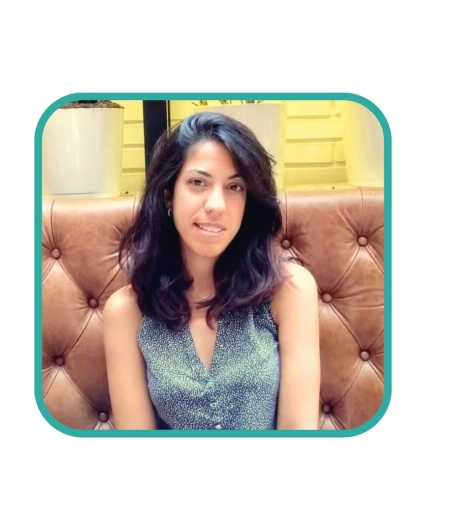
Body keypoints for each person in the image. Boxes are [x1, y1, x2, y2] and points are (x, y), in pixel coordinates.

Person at [103, 111, 320, 430]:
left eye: (235, 187)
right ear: (168, 195)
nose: (216, 204)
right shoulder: (127, 312)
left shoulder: (289, 290)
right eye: (198, 182)